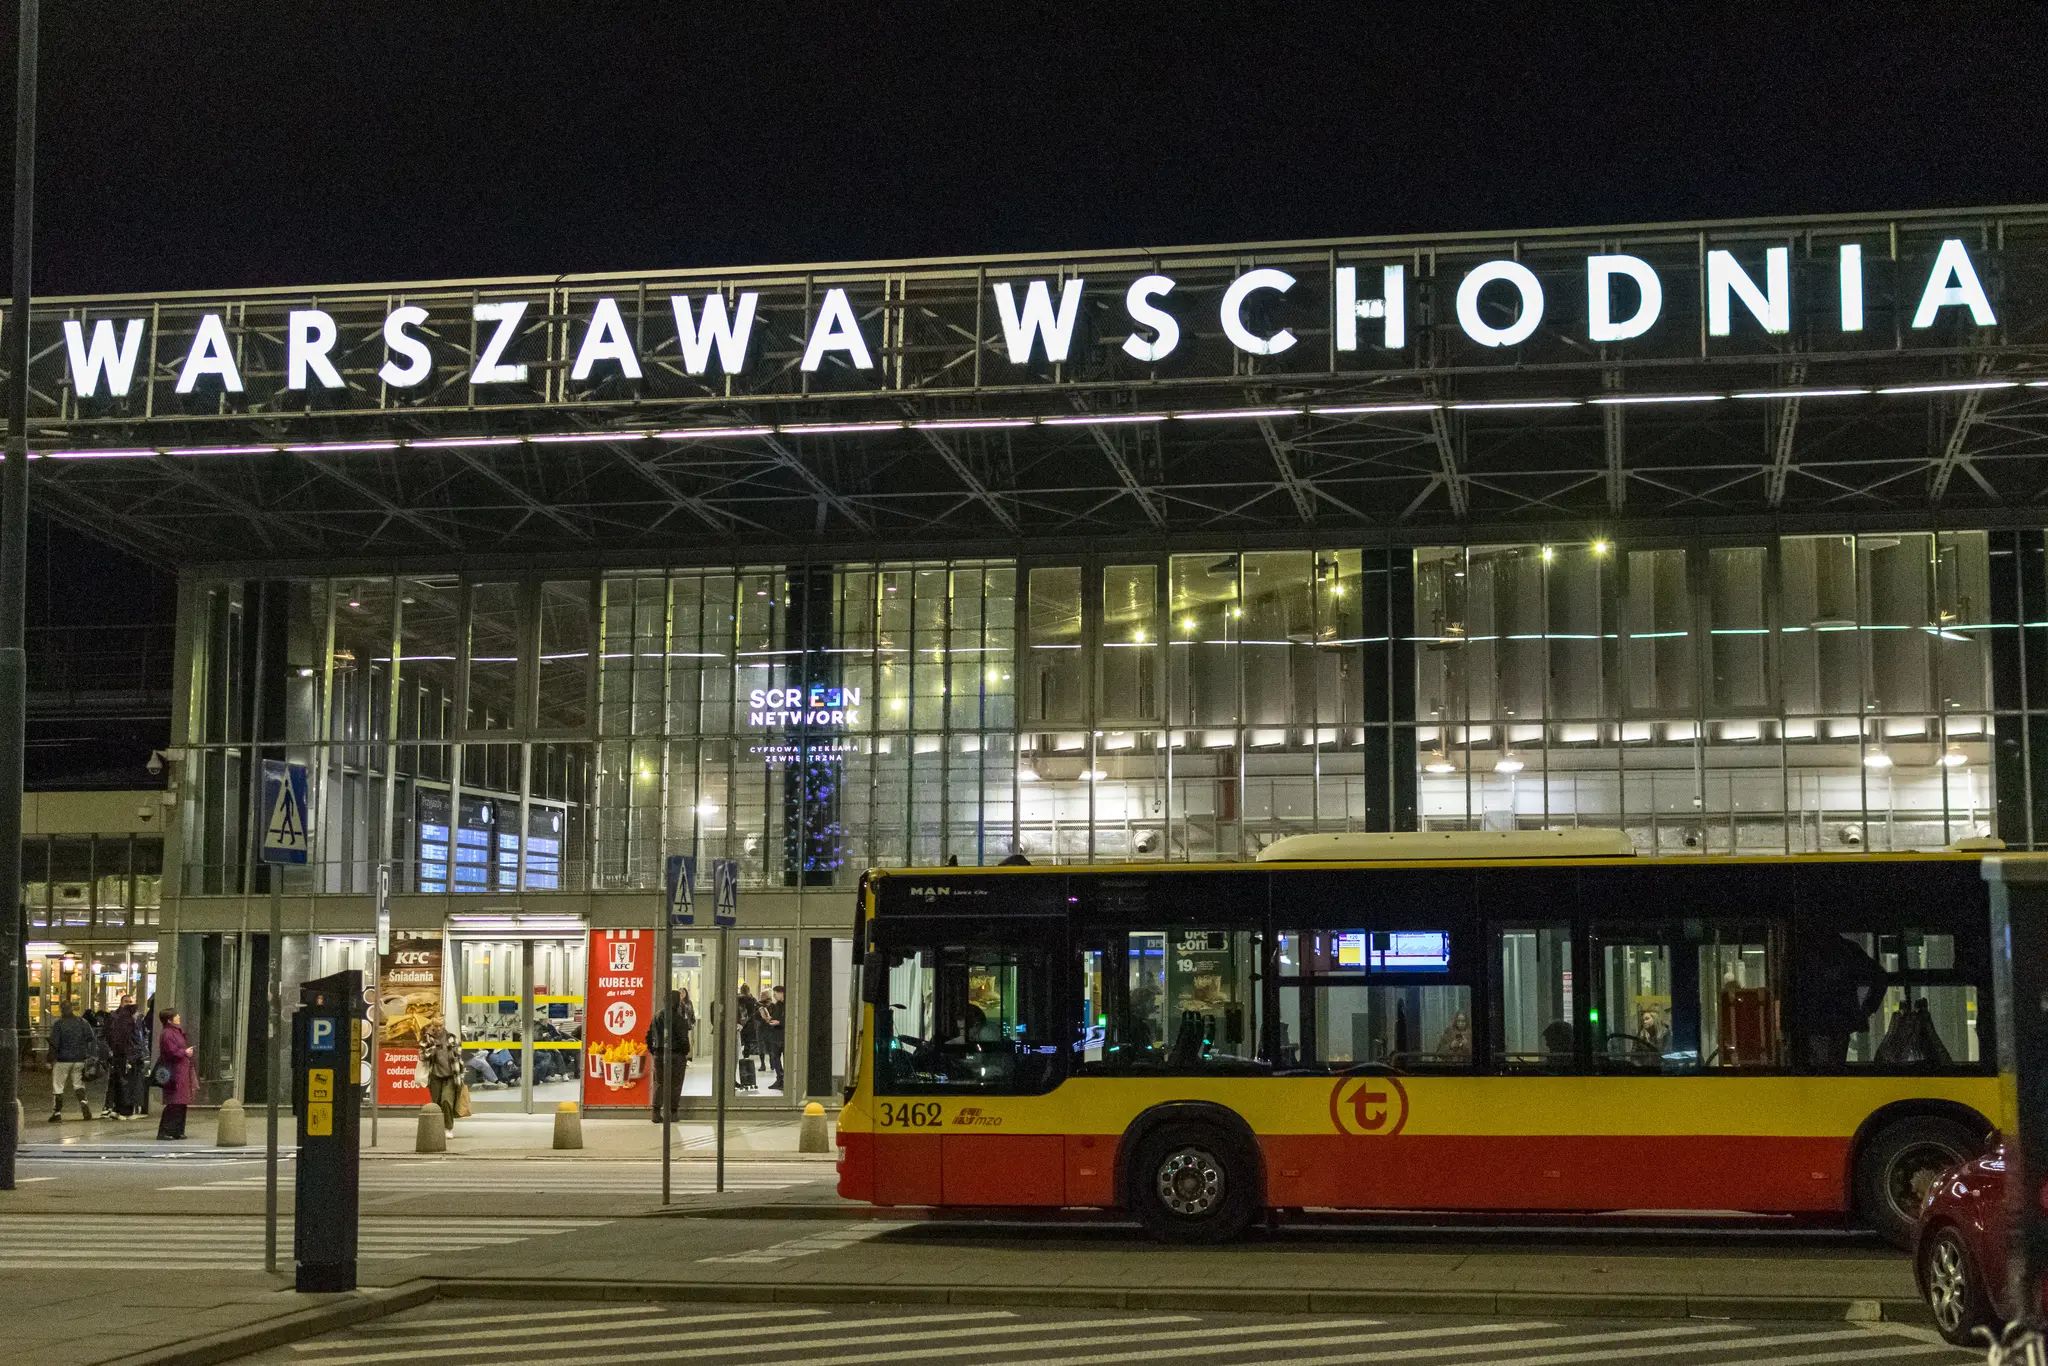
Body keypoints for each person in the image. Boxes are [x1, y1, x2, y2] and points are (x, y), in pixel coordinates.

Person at [646, 988, 696, 1122]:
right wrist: (685, 1052)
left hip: (659, 1054)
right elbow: (683, 1039)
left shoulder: (657, 1016)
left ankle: (656, 1112)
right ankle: (673, 1112)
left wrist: (654, 1050)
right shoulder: (678, 1019)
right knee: (676, 1083)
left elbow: (649, 1036)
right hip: (676, 1055)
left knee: (659, 1083)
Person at [47, 1002, 97, 1122]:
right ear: (72, 1009)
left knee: (58, 1086)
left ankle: (57, 1112)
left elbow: (54, 1044)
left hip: (62, 1060)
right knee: (78, 1084)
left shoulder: (59, 1024)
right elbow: (91, 1037)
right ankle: (84, 1104)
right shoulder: (82, 1022)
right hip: (80, 1058)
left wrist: (49, 1060)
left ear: (61, 1010)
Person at [154, 1009, 195, 1140]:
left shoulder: (174, 1032)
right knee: (174, 1102)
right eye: (175, 1015)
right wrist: (185, 1052)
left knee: (181, 1102)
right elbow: (171, 1051)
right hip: (175, 1070)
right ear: (169, 1019)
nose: (178, 1016)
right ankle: (166, 1130)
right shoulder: (168, 1034)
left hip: (181, 1069)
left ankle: (177, 1130)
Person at [102, 996, 144, 1119]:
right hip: (126, 1056)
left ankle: (115, 1108)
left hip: (121, 1055)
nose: (129, 1004)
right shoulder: (123, 1019)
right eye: (127, 1002)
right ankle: (123, 1110)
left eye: (131, 1002)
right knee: (125, 1083)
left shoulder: (126, 1019)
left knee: (119, 1081)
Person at [420, 1019, 464, 1132]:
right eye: (436, 1026)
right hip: (435, 1076)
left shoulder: (451, 1038)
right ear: (432, 1026)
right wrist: (433, 1049)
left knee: (447, 1101)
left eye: (441, 1025)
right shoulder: (428, 1038)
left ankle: (448, 1128)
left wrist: (461, 1076)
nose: (439, 1028)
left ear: (444, 1025)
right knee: (436, 1104)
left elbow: (459, 1056)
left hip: (450, 1076)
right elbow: (421, 1056)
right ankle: (437, 1128)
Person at [764, 986, 787, 1090]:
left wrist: (779, 1022)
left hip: (784, 1035)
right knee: (775, 1057)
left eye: (775, 993)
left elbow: (790, 1019)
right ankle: (779, 1079)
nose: (774, 996)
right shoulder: (778, 1005)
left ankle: (785, 1080)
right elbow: (776, 1017)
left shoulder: (788, 1005)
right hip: (776, 1035)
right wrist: (770, 1019)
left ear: (781, 993)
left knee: (785, 1058)